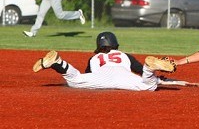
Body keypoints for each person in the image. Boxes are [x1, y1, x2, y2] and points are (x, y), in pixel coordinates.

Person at [32, 32, 178, 91]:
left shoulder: (94, 58)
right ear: (116, 45)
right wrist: (155, 76)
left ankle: (59, 63)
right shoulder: (124, 55)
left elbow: (88, 74)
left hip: (100, 76)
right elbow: (138, 70)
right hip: (124, 77)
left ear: (98, 47)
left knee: (75, 80)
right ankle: (150, 66)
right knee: (149, 85)